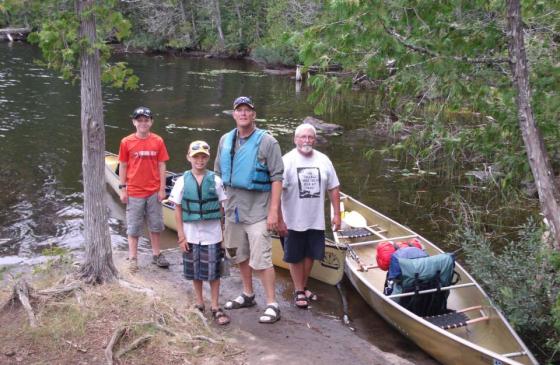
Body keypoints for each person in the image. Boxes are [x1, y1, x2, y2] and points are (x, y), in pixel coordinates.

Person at [214, 96, 284, 324]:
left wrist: (274, 212)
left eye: (247, 110)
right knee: (238, 254)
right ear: (234, 114)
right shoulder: (225, 139)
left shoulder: (268, 142)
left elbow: (277, 178)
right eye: (239, 110)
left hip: (258, 211)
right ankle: (248, 294)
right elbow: (217, 174)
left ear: (254, 114)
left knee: (262, 258)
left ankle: (272, 303)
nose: (243, 113)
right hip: (233, 209)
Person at [277, 123, 341, 309]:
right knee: (295, 256)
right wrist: (278, 218)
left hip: (315, 218)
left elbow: (334, 187)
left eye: (310, 137)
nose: (306, 140)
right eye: (302, 137)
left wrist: (337, 214)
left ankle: (302, 288)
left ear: (314, 139)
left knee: (310, 255)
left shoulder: (324, 160)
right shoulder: (287, 161)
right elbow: (276, 192)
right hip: (293, 218)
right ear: (295, 139)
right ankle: (299, 290)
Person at [169, 140, 230, 325]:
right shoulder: (181, 181)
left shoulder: (216, 180)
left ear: (208, 159)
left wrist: (223, 238)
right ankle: (199, 302)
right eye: (196, 157)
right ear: (189, 158)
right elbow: (177, 209)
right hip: (190, 234)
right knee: (195, 271)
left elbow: (222, 209)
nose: (200, 160)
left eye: (203, 157)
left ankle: (215, 306)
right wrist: (181, 236)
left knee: (214, 272)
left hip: (213, 235)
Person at [118, 106, 170, 273]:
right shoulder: (126, 142)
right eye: (139, 120)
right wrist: (122, 189)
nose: (143, 123)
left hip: (154, 190)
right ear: (134, 122)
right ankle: (133, 258)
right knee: (133, 227)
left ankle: (156, 254)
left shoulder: (158, 141)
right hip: (134, 191)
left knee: (156, 225)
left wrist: (162, 189)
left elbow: (162, 165)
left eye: (146, 120)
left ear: (151, 122)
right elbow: (123, 166)